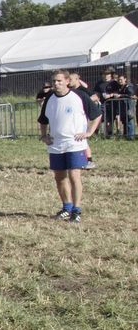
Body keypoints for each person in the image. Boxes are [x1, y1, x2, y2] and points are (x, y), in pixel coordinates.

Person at [38, 69, 101, 223]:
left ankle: (76, 210)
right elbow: (43, 120)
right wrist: (44, 135)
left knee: (74, 176)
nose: (56, 84)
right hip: (56, 144)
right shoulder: (49, 98)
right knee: (59, 178)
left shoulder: (79, 96)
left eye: (59, 81)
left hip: (75, 144)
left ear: (67, 81)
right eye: (54, 81)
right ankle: (66, 208)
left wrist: (89, 132)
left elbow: (97, 114)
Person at [68, 72, 97, 169]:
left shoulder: (82, 90)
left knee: (82, 140)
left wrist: (85, 101)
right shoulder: (70, 91)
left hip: (82, 119)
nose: (69, 82)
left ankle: (89, 160)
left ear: (77, 79)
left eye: (71, 79)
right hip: (73, 119)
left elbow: (95, 97)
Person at [93, 69, 119, 138]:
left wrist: (110, 95)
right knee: (99, 118)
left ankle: (109, 134)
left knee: (109, 119)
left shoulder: (114, 83)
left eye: (107, 74)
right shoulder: (99, 83)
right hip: (101, 104)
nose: (105, 76)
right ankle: (95, 133)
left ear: (110, 75)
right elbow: (97, 94)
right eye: (104, 74)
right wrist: (95, 100)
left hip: (112, 104)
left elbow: (117, 93)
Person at [117, 73, 135, 140]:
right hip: (123, 107)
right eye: (119, 80)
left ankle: (130, 136)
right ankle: (126, 135)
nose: (120, 81)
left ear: (125, 79)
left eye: (121, 79)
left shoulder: (128, 86)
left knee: (129, 121)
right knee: (125, 121)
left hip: (128, 106)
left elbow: (131, 94)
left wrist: (120, 96)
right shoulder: (121, 87)